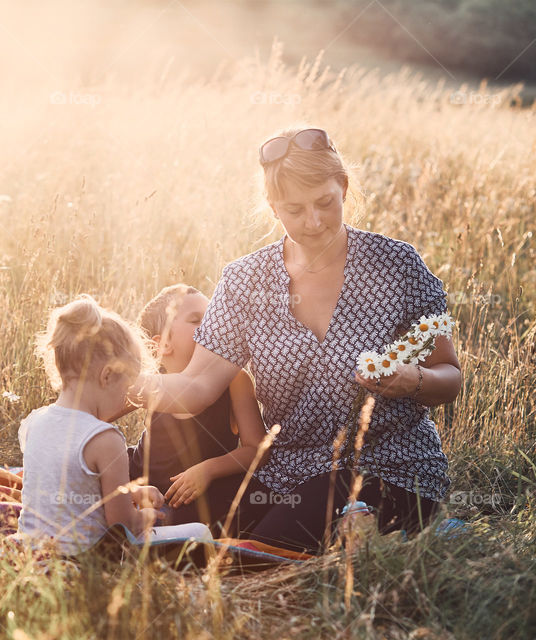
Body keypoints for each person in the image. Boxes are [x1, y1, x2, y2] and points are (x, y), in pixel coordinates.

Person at [135, 127, 462, 553]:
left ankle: (418, 531)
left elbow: (449, 375)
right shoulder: (244, 280)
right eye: (294, 210)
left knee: (259, 546)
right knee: (182, 522)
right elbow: (196, 387)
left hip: (391, 463)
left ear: (343, 187)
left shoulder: (397, 264)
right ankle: (372, 542)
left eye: (326, 202)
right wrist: (124, 382)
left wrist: (411, 380)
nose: (314, 221)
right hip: (285, 469)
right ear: (273, 208)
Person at [17, 295, 165, 554]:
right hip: (84, 560)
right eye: (128, 386)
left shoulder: (32, 423)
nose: (128, 397)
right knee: (196, 531)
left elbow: (69, 485)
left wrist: (130, 493)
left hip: (31, 555)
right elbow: (122, 525)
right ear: (107, 376)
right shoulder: (105, 439)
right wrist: (148, 515)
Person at [127, 284, 267, 534]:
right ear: (162, 345)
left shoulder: (235, 380)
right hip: (145, 481)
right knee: (103, 472)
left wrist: (208, 470)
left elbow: (257, 450)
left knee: (252, 494)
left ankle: (161, 528)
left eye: (213, 316)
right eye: (197, 320)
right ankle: (143, 520)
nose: (212, 325)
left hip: (200, 490)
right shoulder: (153, 380)